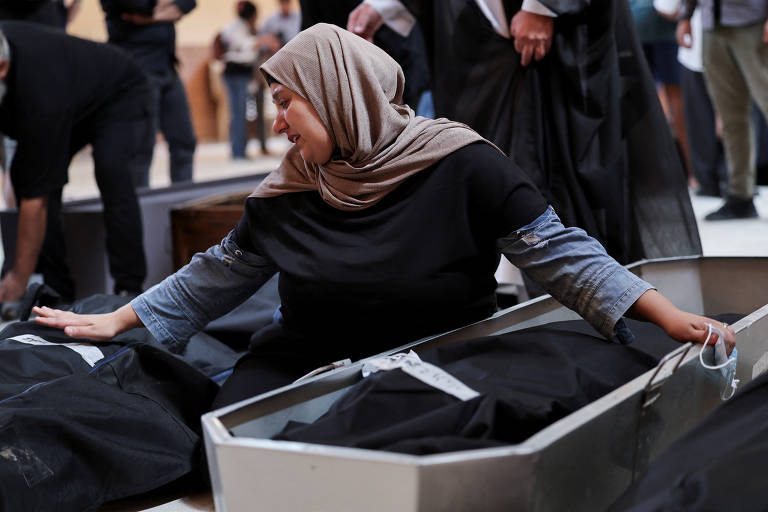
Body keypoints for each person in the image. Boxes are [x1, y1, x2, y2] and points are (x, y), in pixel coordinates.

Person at [33, 24, 734, 410]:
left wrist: (665, 316)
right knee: (228, 429)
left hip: (439, 348)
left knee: (412, 430)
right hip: (308, 349)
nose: (276, 125)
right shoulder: (290, 189)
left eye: (287, 104)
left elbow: (557, 252)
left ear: (340, 96)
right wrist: (121, 320)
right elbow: (218, 273)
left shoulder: (463, 163)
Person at [346, 0, 702, 270]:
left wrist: (543, 5)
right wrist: (384, 5)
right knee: (483, 166)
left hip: (563, 39)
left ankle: (591, 290)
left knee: (574, 177)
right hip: (482, 39)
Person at [0, 22, 152, 303]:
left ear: (2, 69)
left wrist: (17, 280)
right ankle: (57, 290)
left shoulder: (37, 93)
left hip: (118, 91)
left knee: (110, 169)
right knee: (26, 174)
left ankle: (128, 288)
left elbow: (36, 200)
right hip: (68, 93)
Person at [677, 0, 768, 220]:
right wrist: (685, 16)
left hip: (753, 21)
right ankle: (740, 196)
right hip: (711, 23)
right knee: (730, 116)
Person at [100, 0, 197, 186]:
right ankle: (141, 205)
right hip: (137, 67)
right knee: (140, 147)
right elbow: (141, 6)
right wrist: (164, 10)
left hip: (167, 66)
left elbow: (188, 3)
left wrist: (151, 17)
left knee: (184, 141)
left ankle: (183, 204)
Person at [220, 1, 279, 159]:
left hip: (245, 74)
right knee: (238, 113)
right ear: (252, 15)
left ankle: (240, 150)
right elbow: (241, 45)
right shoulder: (234, 28)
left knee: (241, 113)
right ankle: (238, 152)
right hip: (235, 73)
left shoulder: (247, 28)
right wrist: (261, 41)